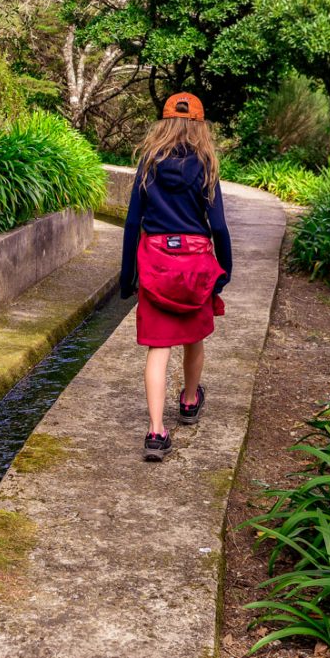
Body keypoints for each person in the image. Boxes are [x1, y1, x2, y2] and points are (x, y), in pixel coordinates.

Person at [119, 92, 233, 462]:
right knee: (193, 337)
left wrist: (128, 275)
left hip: (155, 262)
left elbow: (133, 221)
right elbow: (217, 226)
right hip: (194, 264)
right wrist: (224, 271)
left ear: (163, 124)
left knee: (159, 347)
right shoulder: (206, 164)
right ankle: (188, 401)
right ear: (200, 127)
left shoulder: (149, 164)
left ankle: (155, 433)